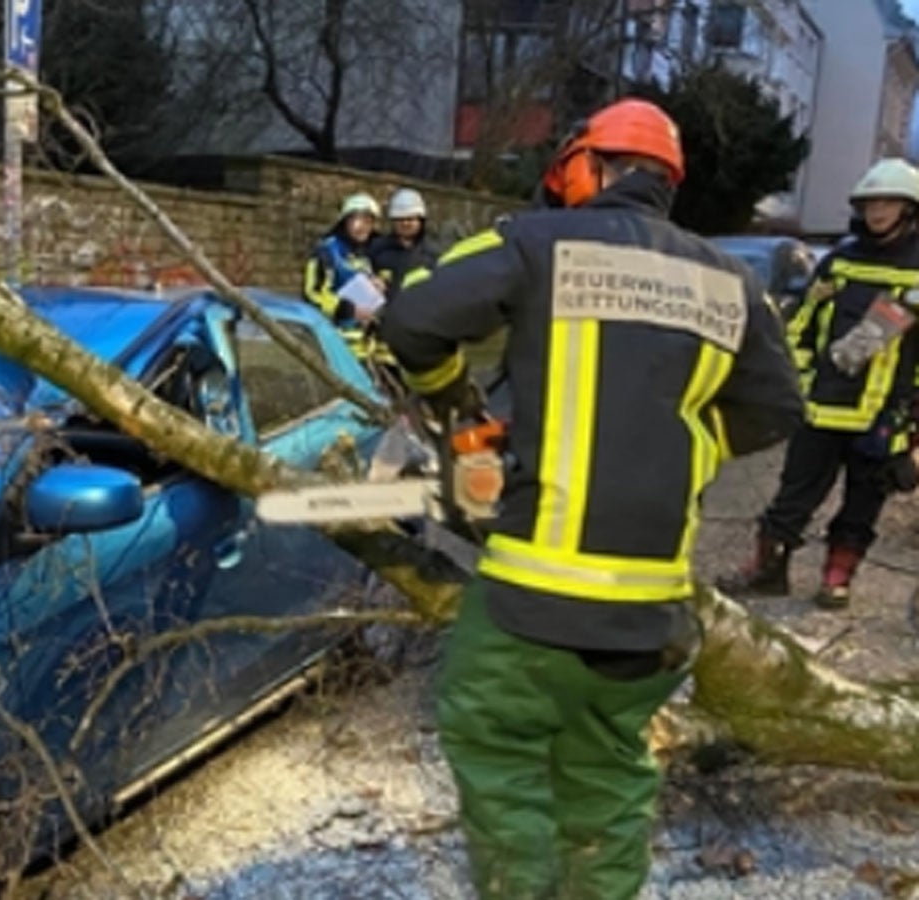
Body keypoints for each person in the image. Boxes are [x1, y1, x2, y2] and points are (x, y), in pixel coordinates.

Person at [375, 98, 803, 900]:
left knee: (500, 759)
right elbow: (779, 405)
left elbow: (411, 322)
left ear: (590, 168)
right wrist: (693, 442)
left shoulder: (534, 242)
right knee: (606, 775)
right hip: (650, 608)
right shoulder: (730, 279)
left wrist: (458, 408)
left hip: (530, 595)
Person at [720, 158, 919, 609]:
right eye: (870, 203)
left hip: (884, 414)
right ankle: (767, 570)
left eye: (888, 202)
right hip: (823, 406)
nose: (878, 211)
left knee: (863, 502)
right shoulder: (839, 263)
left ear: (909, 209)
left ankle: (837, 577)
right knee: (793, 494)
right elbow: (801, 327)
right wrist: (800, 380)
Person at [303, 193, 392, 362]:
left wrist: (383, 283)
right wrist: (345, 309)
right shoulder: (327, 251)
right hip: (338, 344)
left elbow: (391, 280)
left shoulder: (377, 250)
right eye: (356, 219)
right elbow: (311, 294)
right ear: (345, 221)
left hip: (371, 346)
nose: (362, 226)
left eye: (368, 221)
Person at [371, 187, 441, 302]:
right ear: (392, 220)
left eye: (410, 218)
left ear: (420, 220)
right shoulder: (377, 249)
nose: (405, 223)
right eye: (400, 219)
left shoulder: (433, 254)